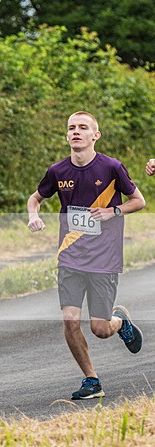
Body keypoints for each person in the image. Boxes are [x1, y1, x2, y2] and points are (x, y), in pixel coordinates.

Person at [27, 111, 145, 400]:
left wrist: (112, 211)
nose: (76, 132)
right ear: (67, 135)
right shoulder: (58, 171)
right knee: (70, 320)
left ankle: (119, 322)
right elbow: (35, 198)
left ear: (96, 135)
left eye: (83, 127)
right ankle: (92, 380)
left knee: (100, 329)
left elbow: (138, 201)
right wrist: (33, 216)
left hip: (104, 258)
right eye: (72, 128)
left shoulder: (111, 167)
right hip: (70, 256)